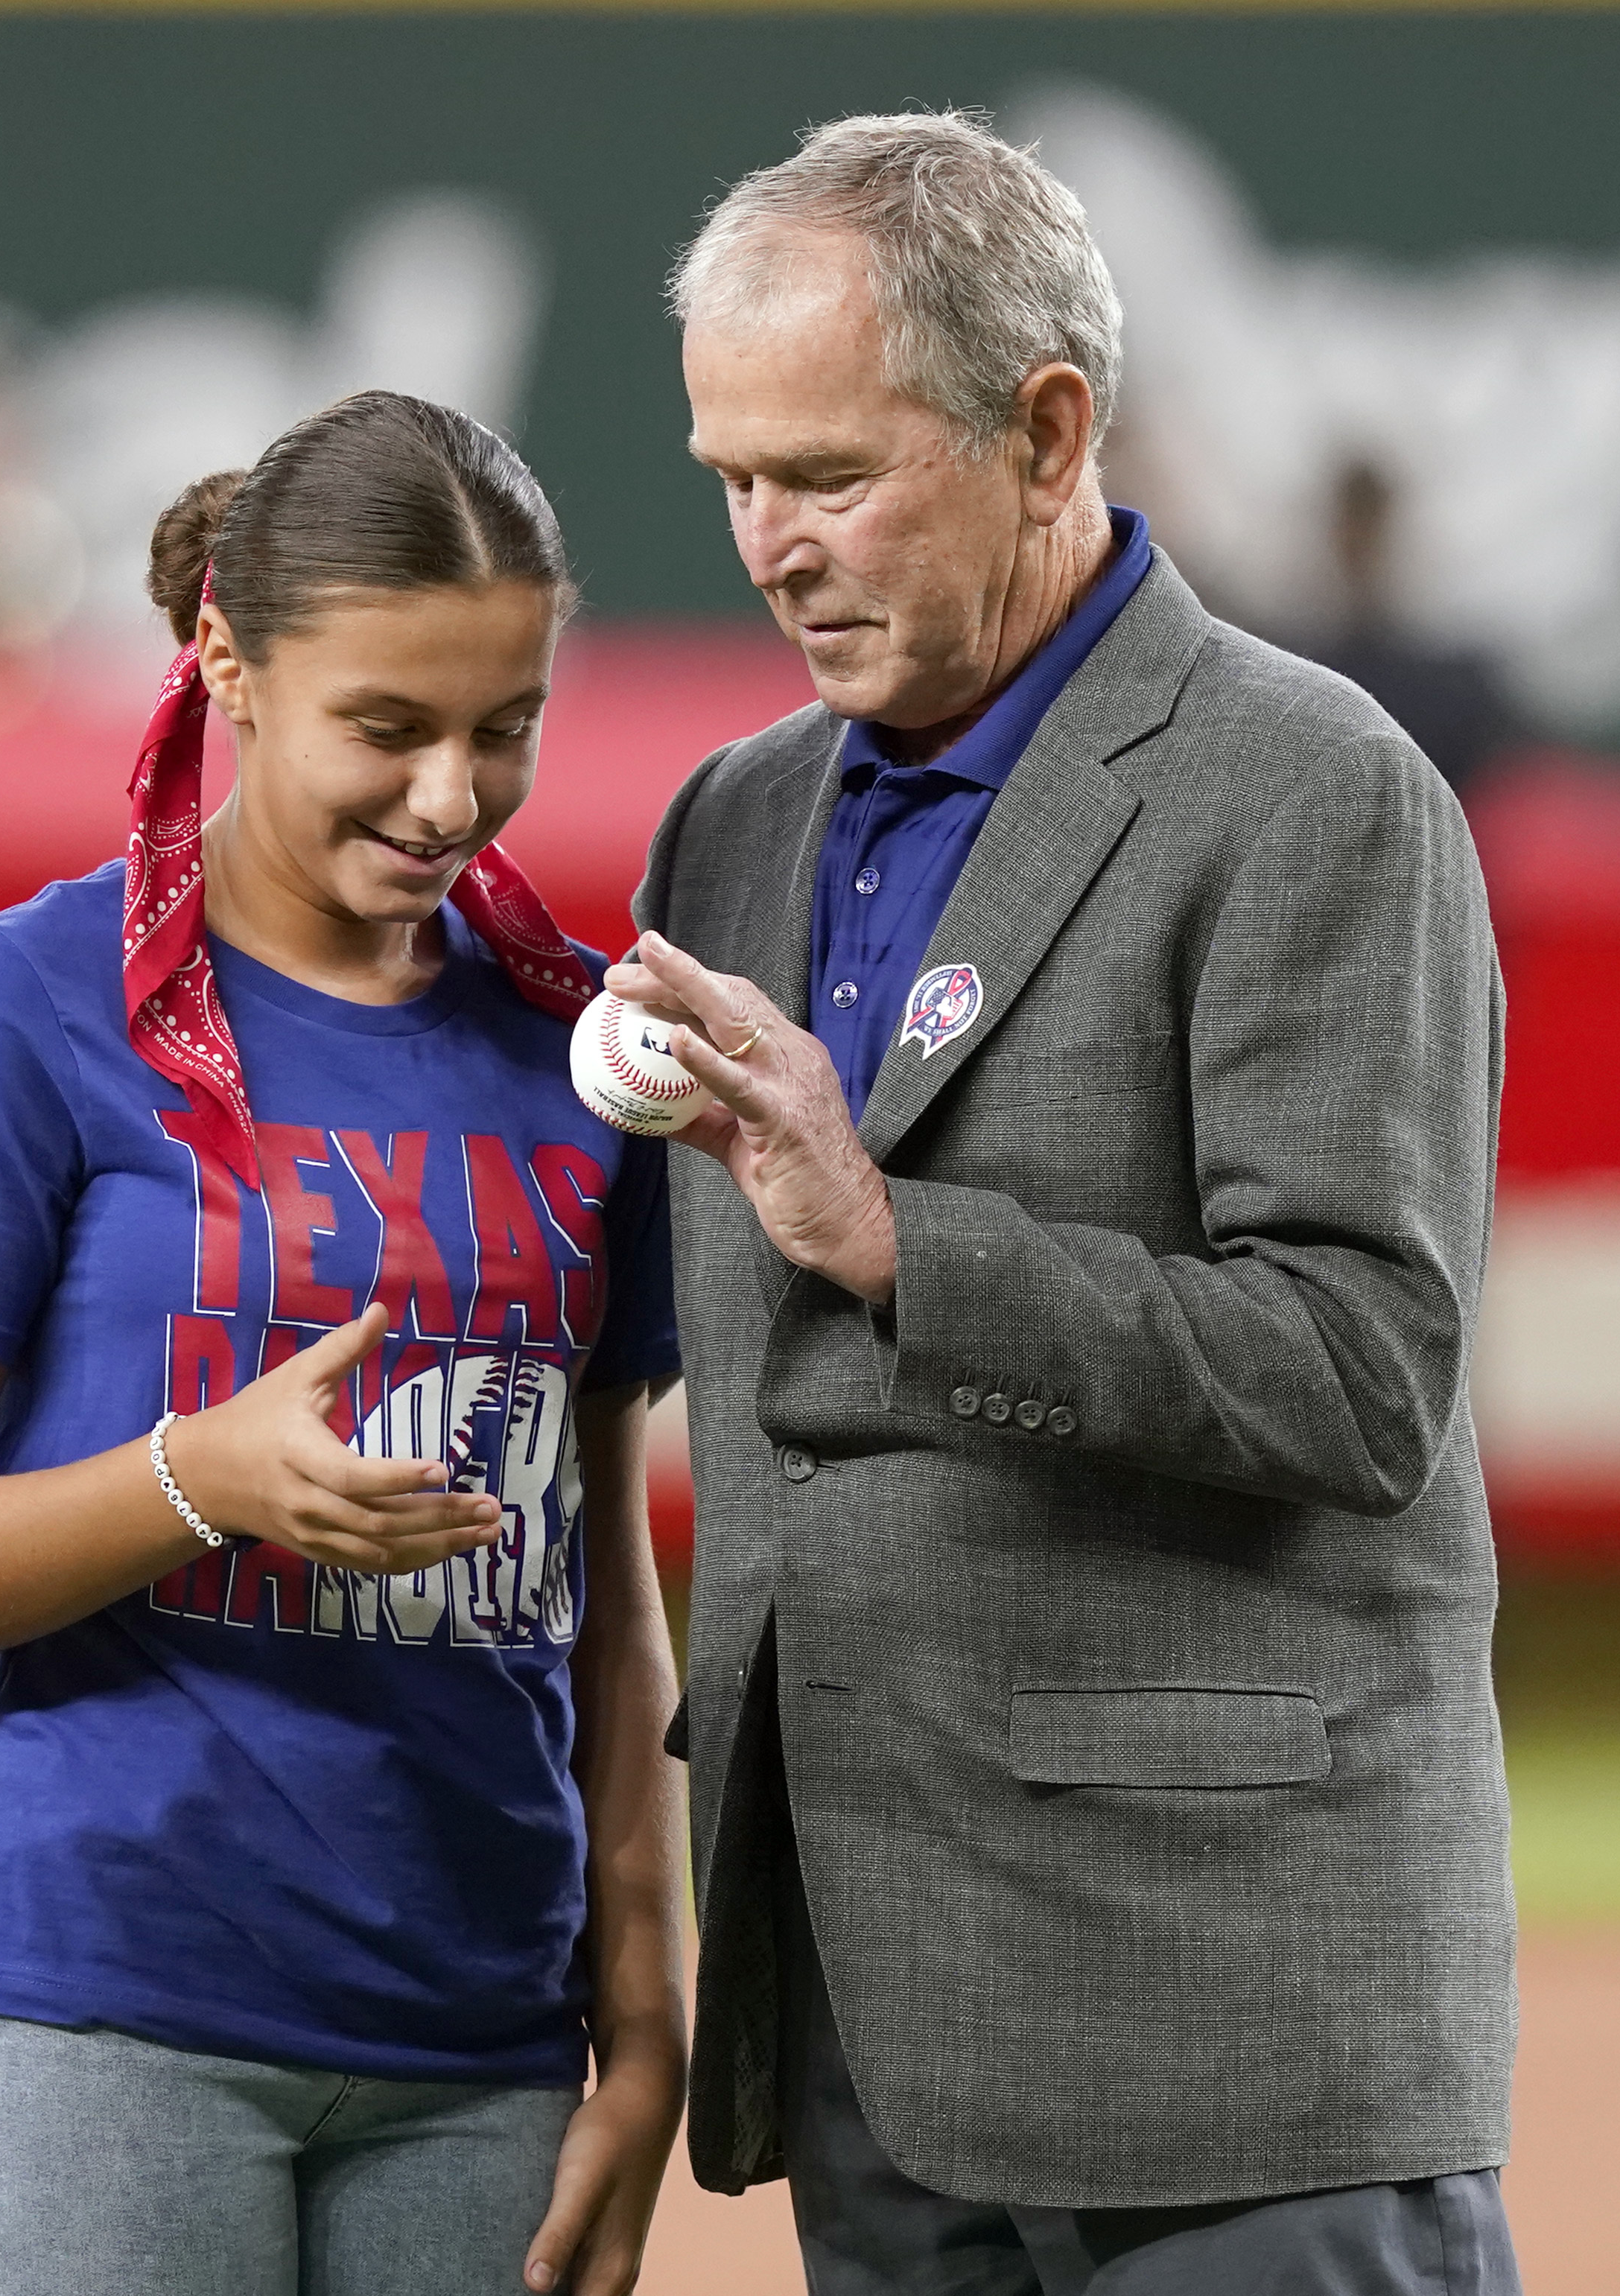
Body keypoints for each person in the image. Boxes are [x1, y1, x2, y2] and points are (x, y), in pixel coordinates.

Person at [622, 114, 1520, 2293]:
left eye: (825, 474)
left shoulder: (1306, 790)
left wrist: (902, 1245)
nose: (769, 543)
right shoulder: (729, 825)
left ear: (1043, 432)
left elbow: (1350, 1372)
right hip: (867, 2013)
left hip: (1225, 2042)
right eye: (729, 477)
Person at [0, 390, 686, 2296]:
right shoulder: (26, 1011)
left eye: (502, 726)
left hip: (478, 2045)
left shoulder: (582, 1052)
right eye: (388, 726)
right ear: (227, 661)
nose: (450, 793)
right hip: (101, 2009)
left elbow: (602, 1586)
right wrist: (197, 1479)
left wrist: (646, 2002)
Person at [1306, 457, 1521, 795]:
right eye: (1352, 526)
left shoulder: (1456, 686)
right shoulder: (1302, 668)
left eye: (1367, 525)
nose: (1359, 542)